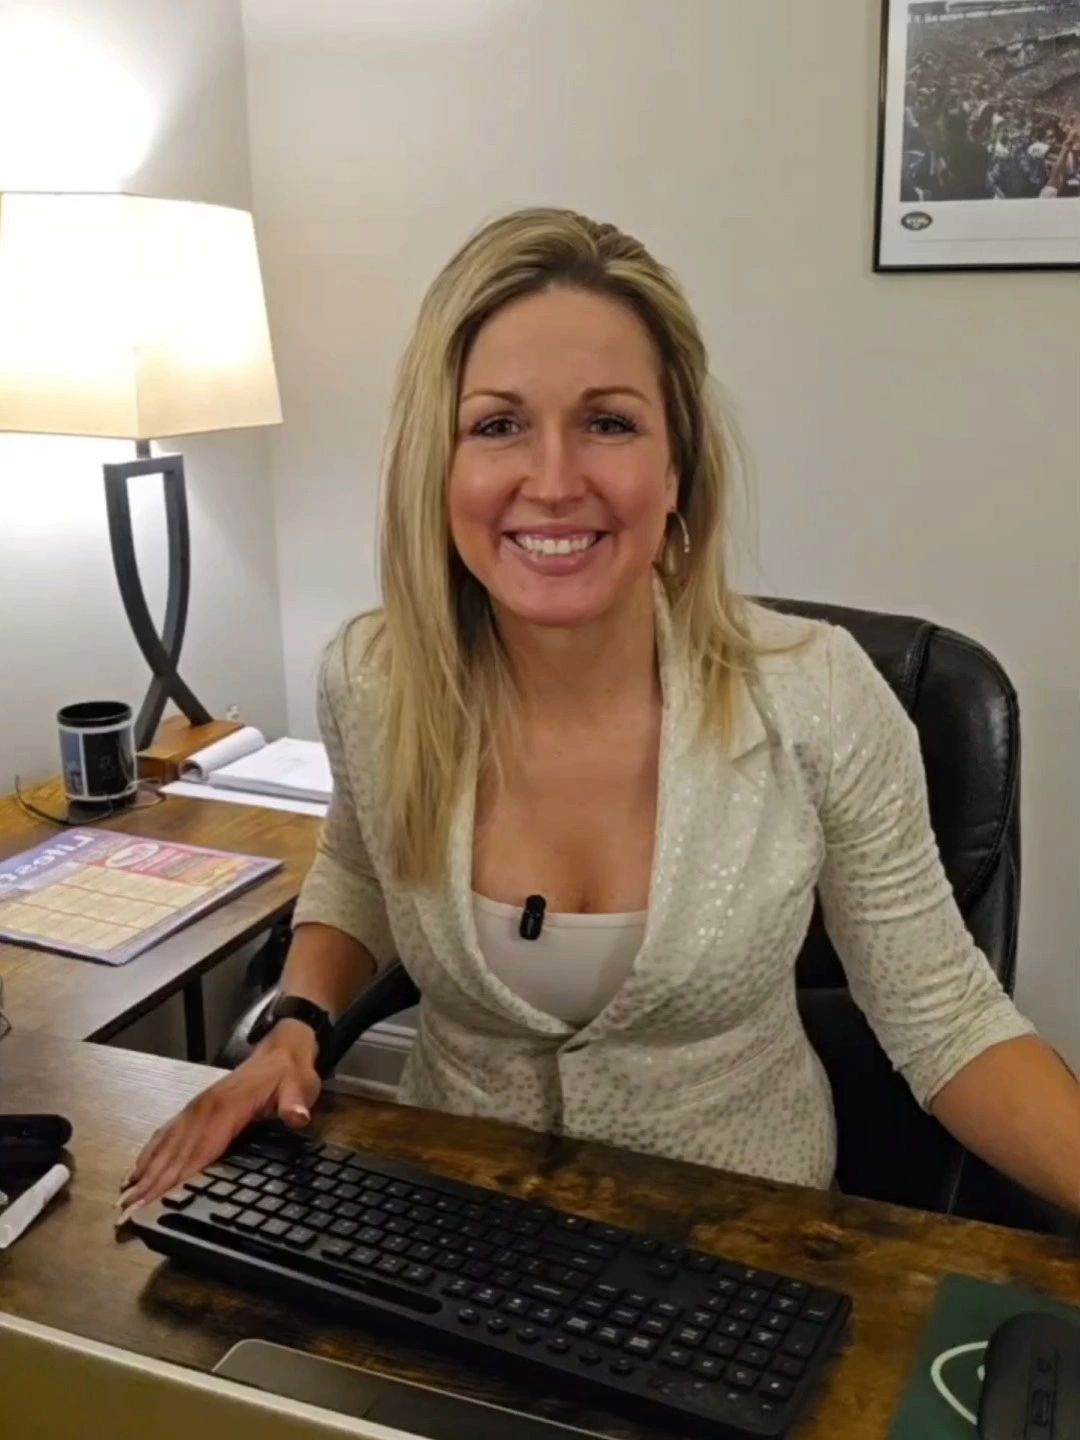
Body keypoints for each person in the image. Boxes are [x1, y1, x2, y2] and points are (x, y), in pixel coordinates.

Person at [119, 208, 1080, 1223]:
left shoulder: (818, 697)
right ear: (436, 470)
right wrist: (296, 1025)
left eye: (609, 423)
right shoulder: (374, 679)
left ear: (675, 472)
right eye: (496, 426)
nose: (552, 481)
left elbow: (947, 1018)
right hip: (453, 1235)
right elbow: (359, 871)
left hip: (742, 1258)